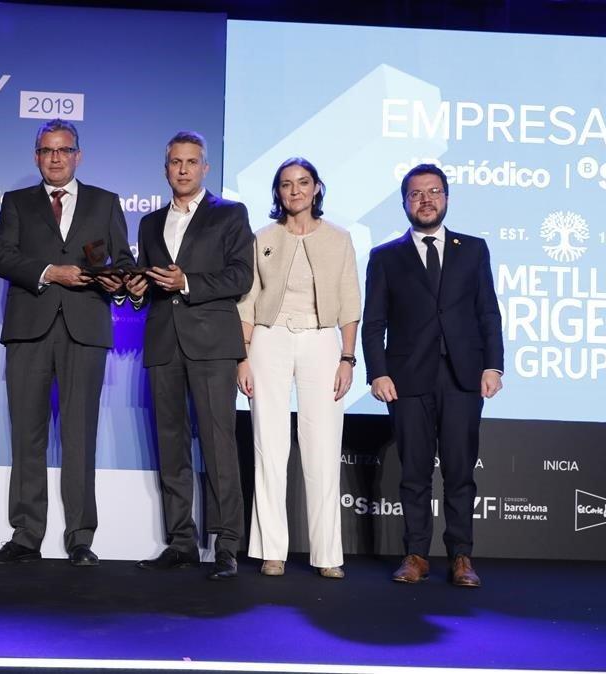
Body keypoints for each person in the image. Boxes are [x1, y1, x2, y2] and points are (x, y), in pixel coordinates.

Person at [0, 119, 133, 566]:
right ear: (36, 156)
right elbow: (1, 257)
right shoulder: (17, 202)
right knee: (26, 436)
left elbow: (124, 262)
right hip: (30, 327)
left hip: (84, 330)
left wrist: (117, 282)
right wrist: (51, 272)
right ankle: (26, 534)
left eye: (64, 150)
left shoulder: (105, 203)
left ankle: (80, 538)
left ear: (78, 155)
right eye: (47, 150)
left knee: (79, 437)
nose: (55, 157)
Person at [362, 163, 504, 587]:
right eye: (416, 194)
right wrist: (378, 373)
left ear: (446, 197)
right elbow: (374, 323)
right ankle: (416, 555)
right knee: (414, 473)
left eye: (434, 192)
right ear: (405, 202)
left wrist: (493, 365)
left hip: (464, 378)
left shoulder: (473, 250)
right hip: (407, 379)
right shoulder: (385, 256)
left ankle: (461, 557)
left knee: (460, 472)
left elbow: (488, 313)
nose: (425, 200)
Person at [127, 131, 253, 580]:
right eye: (175, 162)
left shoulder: (231, 214)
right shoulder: (149, 222)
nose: (183, 169)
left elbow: (240, 276)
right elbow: (149, 282)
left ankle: (227, 544)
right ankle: (180, 540)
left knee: (220, 446)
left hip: (213, 347)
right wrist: (138, 291)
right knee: (171, 445)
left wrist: (187, 282)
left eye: (191, 162)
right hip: (164, 343)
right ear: (166, 169)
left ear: (205, 168)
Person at [235, 158, 360, 579]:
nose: (295, 191)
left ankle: (327, 555)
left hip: (322, 340)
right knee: (268, 444)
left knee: (322, 445)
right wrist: (243, 356)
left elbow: (349, 302)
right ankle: (272, 549)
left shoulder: (339, 239)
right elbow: (248, 302)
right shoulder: (262, 238)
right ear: (277, 192)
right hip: (269, 340)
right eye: (287, 184)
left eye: (303, 183)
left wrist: (347, 357)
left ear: (317, 188)